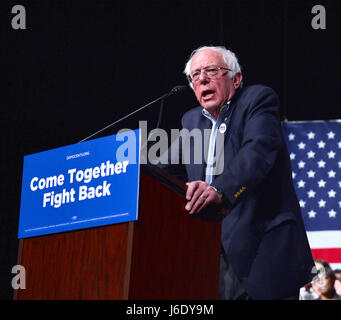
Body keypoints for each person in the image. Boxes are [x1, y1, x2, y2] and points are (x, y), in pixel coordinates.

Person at [158, 45, 315, 300]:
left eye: (211, 70)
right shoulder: (191, 121)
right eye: (195, 75)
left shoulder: (257, 100)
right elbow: (164, 169)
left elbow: (257, 152)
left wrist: (219, 190)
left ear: (236, 78)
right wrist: (128, 175)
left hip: (262, 252)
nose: (202, 79)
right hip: (209, 254)